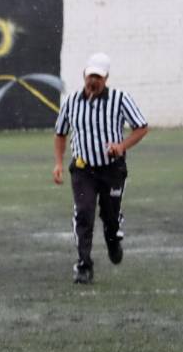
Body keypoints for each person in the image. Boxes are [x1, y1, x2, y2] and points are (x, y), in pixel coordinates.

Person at [53, 52, 149, 285]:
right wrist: (58, 162)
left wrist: (122, 145)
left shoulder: (120, 99)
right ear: (83, 75)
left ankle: (113, 238)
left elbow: (141, 127)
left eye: (98, 77)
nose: (93, 81)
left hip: (112, 169)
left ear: (106, 78)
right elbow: (60, 132)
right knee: (84, 213)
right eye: (90, 76)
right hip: (83, 169)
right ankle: (84, 264)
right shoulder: (71, 102)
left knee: (110, 215)